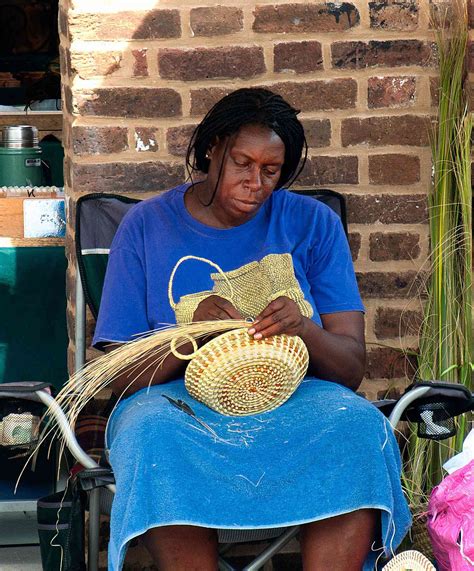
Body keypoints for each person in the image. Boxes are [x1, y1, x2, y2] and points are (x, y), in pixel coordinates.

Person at [93, 87, 411, 571]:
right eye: (242, 163)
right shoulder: (145, 226)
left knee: (357, 426)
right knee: (148, 432)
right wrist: (192, 339)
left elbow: (349, 368)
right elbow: (118, 377)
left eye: (270, 170)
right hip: (177, 408)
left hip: (297, 399)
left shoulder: (313, 224)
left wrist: (304, 329)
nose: (255, 183)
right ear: (212, 149)